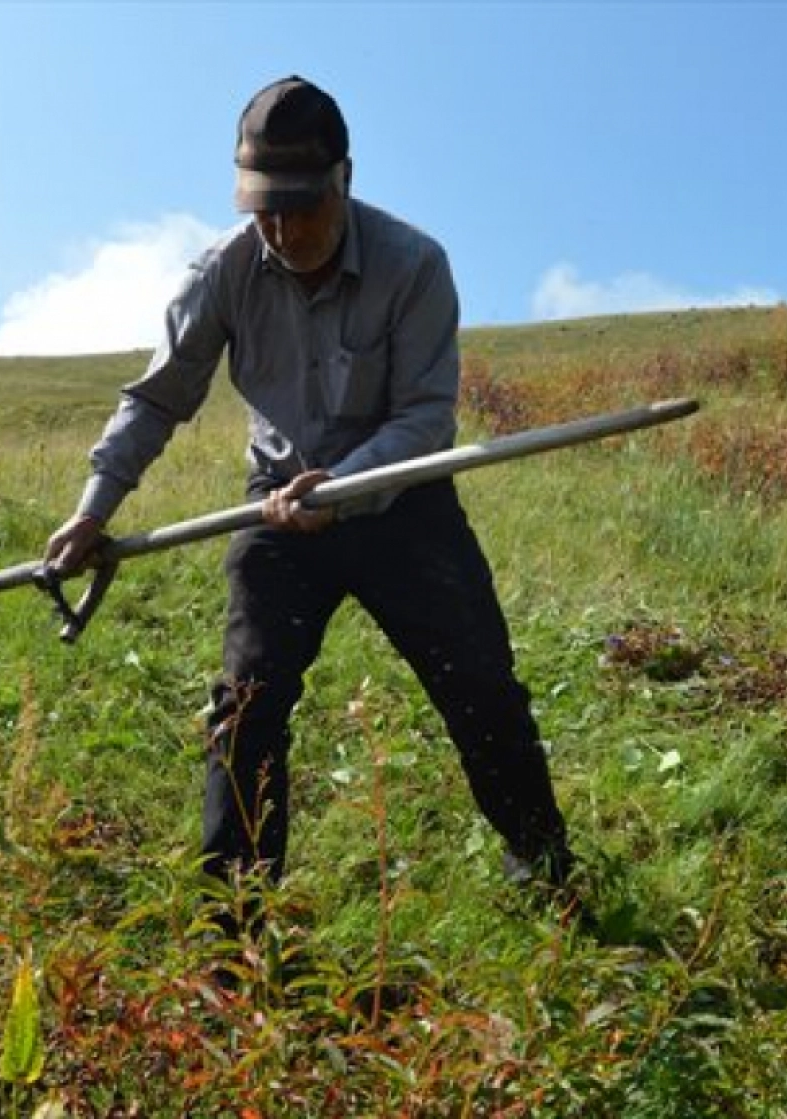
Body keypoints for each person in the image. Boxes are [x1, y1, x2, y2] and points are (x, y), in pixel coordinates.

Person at [44, 75, 578, 911]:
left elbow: (426, 416)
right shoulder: (222, 273)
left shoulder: (415, 266)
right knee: (246, 707)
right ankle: (237, 928)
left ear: (345, 179)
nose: (283, 231)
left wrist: (348, 485)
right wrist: (93, 509)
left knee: (481, 684)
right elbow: (157, 399)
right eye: (264, 210)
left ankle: (544, 867)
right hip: (279, 507)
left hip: (402, 499)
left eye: (300, 207)